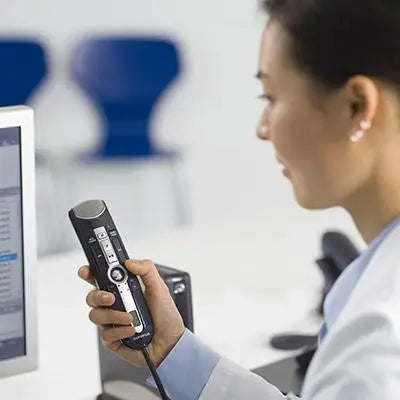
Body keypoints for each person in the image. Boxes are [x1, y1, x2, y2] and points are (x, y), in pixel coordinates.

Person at [78, 0, 400, 398]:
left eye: (270, 98)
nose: (263, 129)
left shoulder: (377, 343)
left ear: (356, 106)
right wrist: (173, 352)